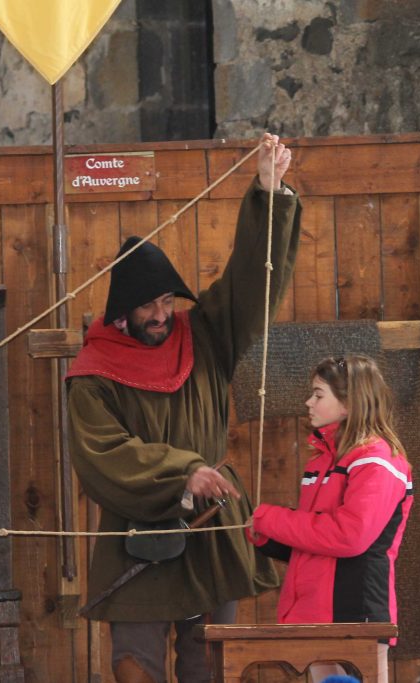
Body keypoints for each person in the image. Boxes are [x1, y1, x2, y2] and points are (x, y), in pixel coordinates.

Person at [67, 132, 301, 683]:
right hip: (137, 540)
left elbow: (251, 283)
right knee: (135, 666)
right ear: (122, 312)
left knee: (209, 662)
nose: (161, 314)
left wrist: (270, 191)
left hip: (209, 529)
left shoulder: (205, 334)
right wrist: (184, 472)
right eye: (148, 304)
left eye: (168, 300)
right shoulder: (93, 375)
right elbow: (105, 454)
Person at [249, 355, 413, 683]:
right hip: (315, 608)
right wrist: (264, 534)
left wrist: (270, 518)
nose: (308, 402)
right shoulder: (322, 460)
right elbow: (314, 541)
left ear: (349, 403)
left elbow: (349, 536)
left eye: (318, 394)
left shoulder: (376, 460)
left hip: (355, 608)